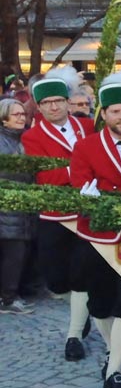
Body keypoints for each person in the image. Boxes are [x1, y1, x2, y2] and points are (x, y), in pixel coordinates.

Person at [69, 67, 121, 388]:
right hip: (99, 237)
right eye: (114, 111)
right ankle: (110, 348)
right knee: (100, 304)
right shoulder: (86, 147)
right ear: (103, 113)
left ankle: (114, 368)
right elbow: (81, 186)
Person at [24, 67, 94, 360]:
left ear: (68, 101)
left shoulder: (88, 127)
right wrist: (78, 169)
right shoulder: (32, 137)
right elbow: (45, 177)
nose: (53, 107)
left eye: (58, 101)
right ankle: (81, 309)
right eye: (46, 103)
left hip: (85, 213)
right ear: (39, 108)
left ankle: (74, 335)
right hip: (54, 214)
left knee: (81, 274)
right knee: (55, 279)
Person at [0, 99, 35, 314]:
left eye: (23, 114)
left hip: (21, 207)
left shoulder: (21, 139)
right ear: (4, 118)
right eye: (16, 115)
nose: (22, 118)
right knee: (13, 255)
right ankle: (8, 299)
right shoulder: (4, 143)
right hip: (8, 207)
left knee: (16, 254)